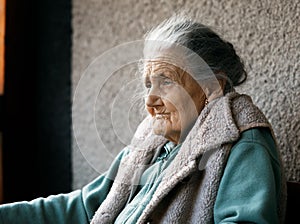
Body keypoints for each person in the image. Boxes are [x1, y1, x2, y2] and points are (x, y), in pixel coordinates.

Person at [0, 14, 286, 224]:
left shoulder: (241, 145)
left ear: (211, 87)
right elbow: (85, 208)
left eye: (166, 81)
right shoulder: (152, 147)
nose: (150, 100)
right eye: (149, 83)